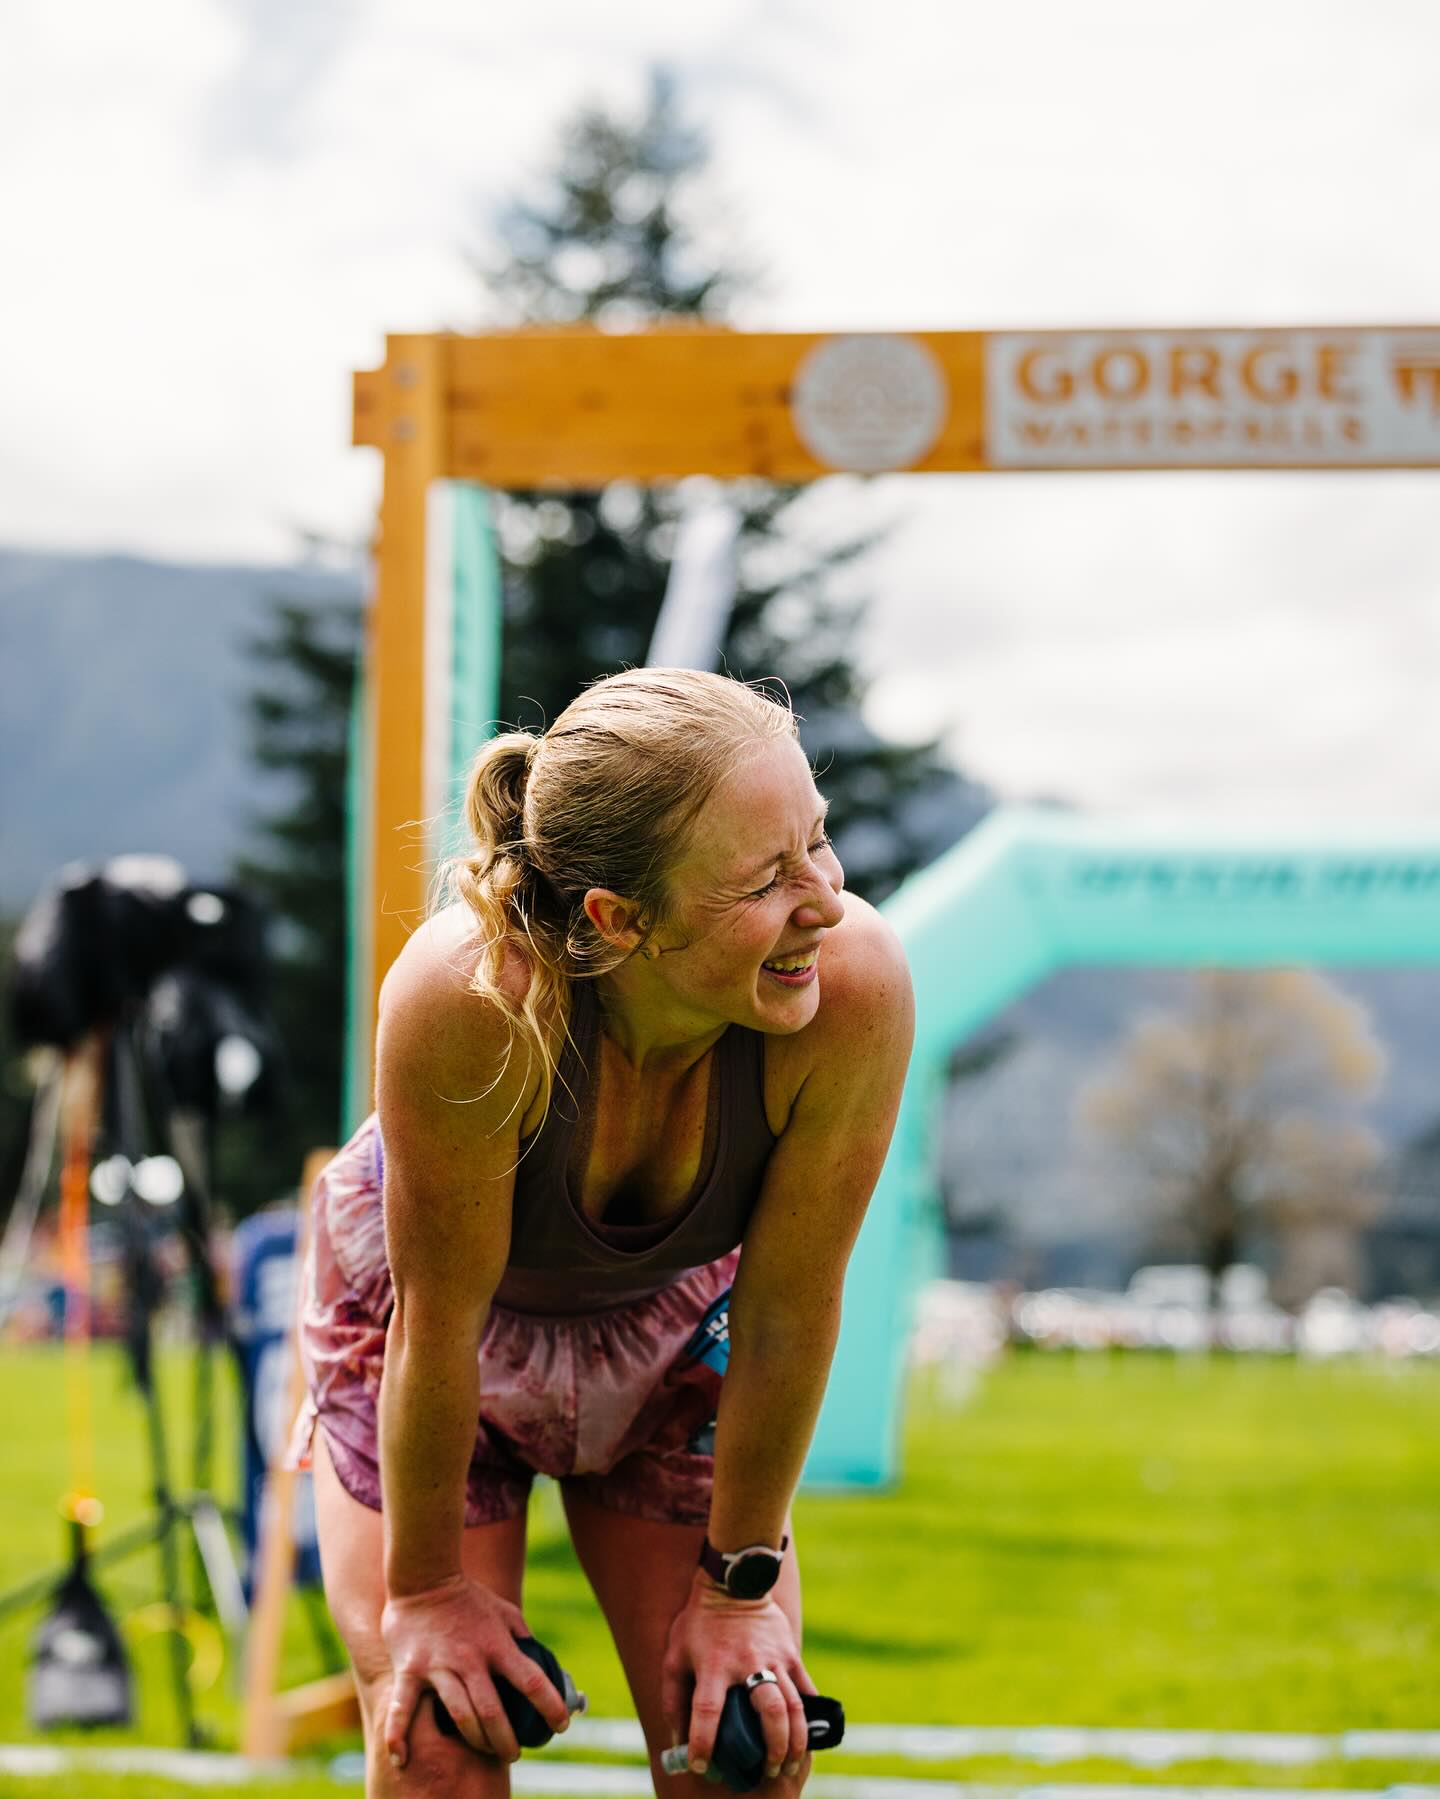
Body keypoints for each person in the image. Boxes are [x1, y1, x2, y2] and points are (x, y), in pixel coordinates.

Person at [292, 668, 914, 1799]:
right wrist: (425, 1591)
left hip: (674, 1346)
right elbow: (439, 1323)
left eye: (817, 844)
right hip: (433, 1353)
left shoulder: (851, 987)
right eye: (766, 878)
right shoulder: (471, 997)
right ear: (619, 918)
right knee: (440, 1740)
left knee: (740, 1750)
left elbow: (785, 1313)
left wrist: (738, 1592)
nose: (822, 898)